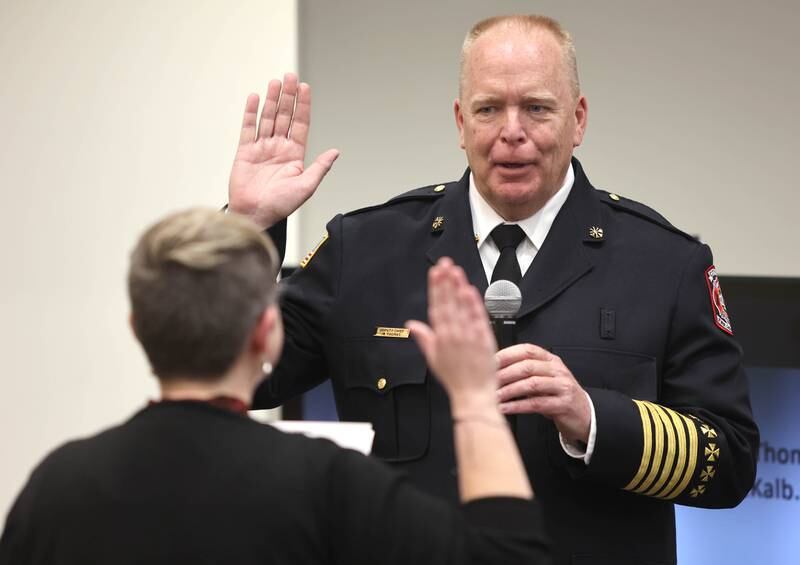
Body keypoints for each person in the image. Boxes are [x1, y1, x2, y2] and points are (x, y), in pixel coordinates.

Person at [229, 15, 759, 565]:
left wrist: (592, 418)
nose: (512, 132)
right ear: (461, 122)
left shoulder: (664, 264)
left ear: (577, 119)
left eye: (536, 107)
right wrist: (245, 231)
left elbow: (732, 460)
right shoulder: (364, 249)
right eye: (488, 109)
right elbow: (242, 379)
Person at [0, 209, 551, 565]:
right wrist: (476, 402)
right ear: (268, 334)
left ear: (137, 329)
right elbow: (507, 557)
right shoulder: (326, 484)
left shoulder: (56, 489)